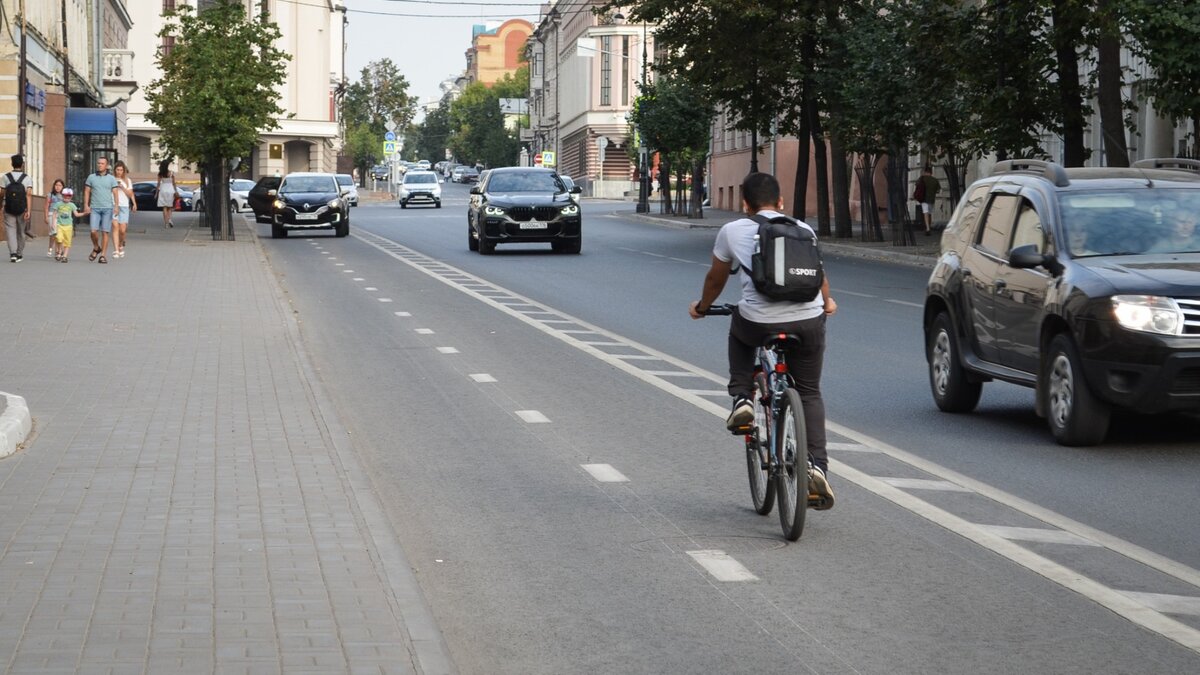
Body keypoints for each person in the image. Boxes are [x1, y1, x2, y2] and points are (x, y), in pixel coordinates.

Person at [689, 172, 838, 508]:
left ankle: (742, 398)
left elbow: (716, 278)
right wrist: (827, 303)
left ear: (745, 204)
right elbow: (819, 276)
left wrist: (702, 307)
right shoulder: (804, 229)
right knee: (810, 391)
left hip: (757, 321)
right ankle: (817, 467)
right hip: (808, 321)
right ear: (781, 202)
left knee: (740, 329)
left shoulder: (732, 230)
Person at [83, 156, 118, 264]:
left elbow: (115, 193)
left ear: (107, 166)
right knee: (93, 231)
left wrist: (116, 206)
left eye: (102, 163)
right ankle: (96, 247)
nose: (99, 165)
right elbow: (87, 192)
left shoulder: (112, 178)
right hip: (95, 208)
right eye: (98, 163)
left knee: (105, 232)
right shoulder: (91, 177)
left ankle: (102, 255)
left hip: (107, 208)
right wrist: (86, 205)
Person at [2, 154, 33, 262]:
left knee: (10, 230)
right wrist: (28, 210)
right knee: (21, 231)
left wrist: (1, 204)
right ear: (22, 164)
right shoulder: (27, 178)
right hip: (22, 208)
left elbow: (2, 193)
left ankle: (13, 253)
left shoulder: (5, 177)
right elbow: (28, 195)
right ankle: (19, 253)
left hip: (8, 208)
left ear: (12, 164)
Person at [111, 160, 136, 258]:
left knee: (122, 230)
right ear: (115, 170)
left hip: (124, 206)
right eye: (117, 170)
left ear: (124, 171)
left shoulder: (127, 180)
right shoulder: (111, 179)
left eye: (121, 170)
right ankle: (116, 250)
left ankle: (121, 244)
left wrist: (122, 187)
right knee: (115, 227)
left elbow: (130, 194)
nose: (119, 172)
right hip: (113, 205)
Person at [52, 187, 83, 263]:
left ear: (71, 197)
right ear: (62, 196)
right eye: (65, 196)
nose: (67, 197)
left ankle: (65, 256)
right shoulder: (58, 204)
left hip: (68, 226)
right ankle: (59, 251)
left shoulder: (72, 205)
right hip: (60, 225)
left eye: (69, 196)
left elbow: (76, 214)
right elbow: (54, 214)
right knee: (59, 239)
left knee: (67, 242)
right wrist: (53, 223)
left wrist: (85, 213)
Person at [914, 165, 941, 235]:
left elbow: (917, 185)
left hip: (924, 198)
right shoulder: (935, 180)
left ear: (925, 172)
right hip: (931, 199)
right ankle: (929, 226)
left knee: (925, 212)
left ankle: (927, 228)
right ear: (931, 172)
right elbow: (938, 190)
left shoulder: (922, 179)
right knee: (929, 213)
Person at [45, 178, 65, 258]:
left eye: (60, 185)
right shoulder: (50, 195)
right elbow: (46, 206)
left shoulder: (64, 196)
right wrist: (46, 216)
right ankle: (50, 248)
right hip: (51, 214)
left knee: (58, 233)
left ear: (63, 187)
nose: (58, 187)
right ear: (54, 186)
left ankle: (58, 250)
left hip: (60, 216)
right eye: (56, 185)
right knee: (53, 233)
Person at [156, 159, 177, 228]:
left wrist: (156, 193)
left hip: (163, 190)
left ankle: (166, 223)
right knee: (170, 207)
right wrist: (176, 191)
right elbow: (174, 183)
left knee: (164, 207)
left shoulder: (160, 174)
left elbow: (158, 184)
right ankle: (169, 219)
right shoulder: (171, 173)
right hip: (170, 190)